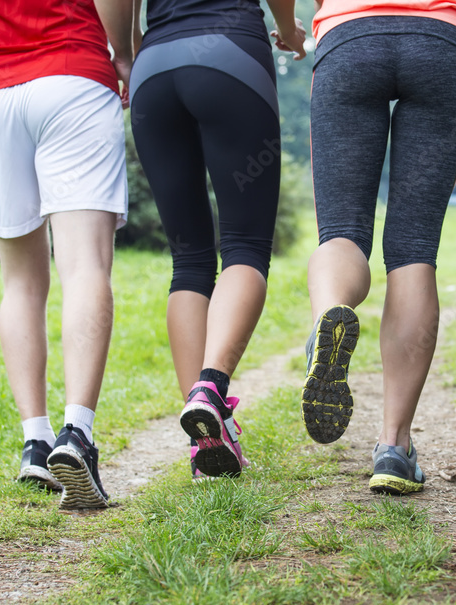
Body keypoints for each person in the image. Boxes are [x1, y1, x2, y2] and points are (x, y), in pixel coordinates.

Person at [0, 0, 134, 509]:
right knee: (84, 265)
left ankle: (35, 443)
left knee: (19, 281)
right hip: (73, 77)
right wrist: (122, 53)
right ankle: (76, 434)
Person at [302, 0, 456, 494]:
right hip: (441, 41)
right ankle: (394, 449)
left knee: (341, 231)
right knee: (413, 249)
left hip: (350, 35)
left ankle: (327, 319)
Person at [125, 0, 306, 479]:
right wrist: (289, 31)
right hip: (230, 54)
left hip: (154, 66)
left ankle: (206, 440)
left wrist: (126, 53)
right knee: (245, 245)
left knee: (188, 262)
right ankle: (210, 390)